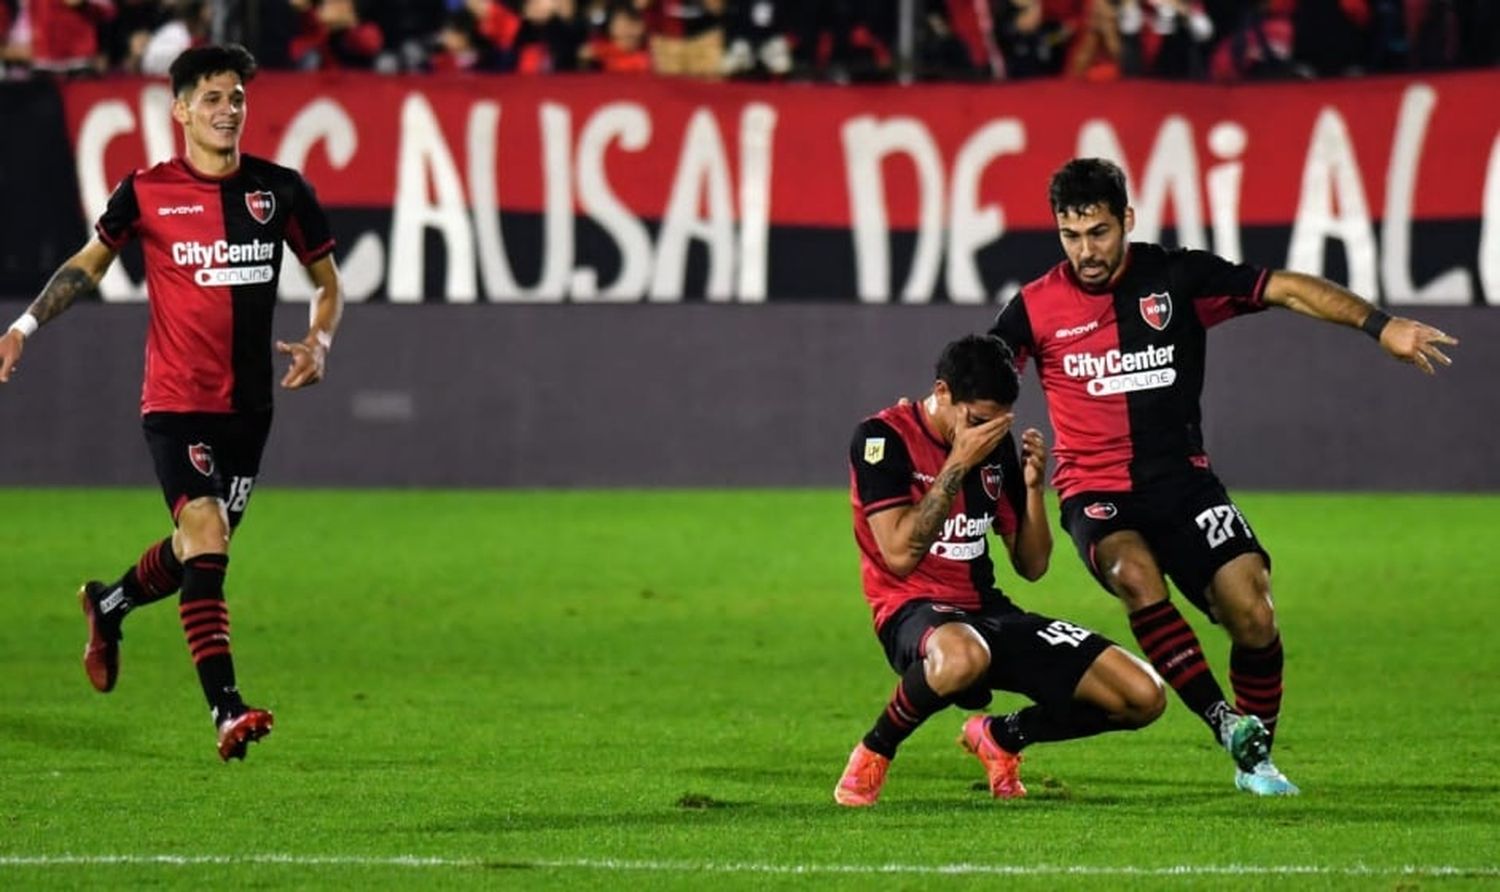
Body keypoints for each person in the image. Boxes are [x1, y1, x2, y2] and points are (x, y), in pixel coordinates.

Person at [988, 157, 1458, 795]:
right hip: (1097, 491)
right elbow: (984, 384)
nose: (1086, 251)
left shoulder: (1178, 278)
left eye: (1098, 232)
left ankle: (1256, 753)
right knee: (1133, 574)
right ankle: (1222, 721)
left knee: (1253, 609)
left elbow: (1287, 287)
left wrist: (1381, 326)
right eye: (1071, 236)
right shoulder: (1036, 307)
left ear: (1126, 219)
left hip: (1183, 482)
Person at [0, 44, 343, 762]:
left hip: (250, 408)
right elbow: (87, 265)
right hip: (176, 401)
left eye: (237, 98)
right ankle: (226, 710)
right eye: (212, 98)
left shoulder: (279, 191)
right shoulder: (147, 191)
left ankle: (109, 604)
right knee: (208, 533)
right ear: (181, 110)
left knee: (197, 552)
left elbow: (327, 282)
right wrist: (24, 326)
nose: (227, 110)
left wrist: (319, 341)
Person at [835, 334, 1166, 807]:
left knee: (1142, 694)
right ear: (943, 392)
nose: (985, 433)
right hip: (913, 609)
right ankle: (875, 749)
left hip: (988, 612)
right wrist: (958, 463)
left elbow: (1031, 565)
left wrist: (1032, 490)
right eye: (975, 421)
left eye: (996, 423)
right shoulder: (881, 439)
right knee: (964, 656)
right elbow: (900, 554)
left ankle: (1002, 736)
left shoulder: (993, 445)